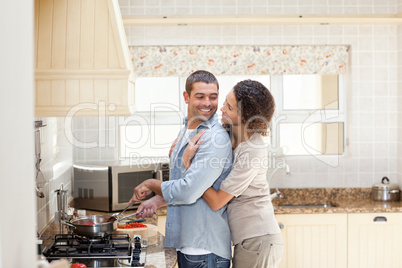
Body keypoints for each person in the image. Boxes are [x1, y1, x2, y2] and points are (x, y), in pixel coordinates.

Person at [130, 70, 233, 268]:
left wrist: (151, 184)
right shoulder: (186, 130)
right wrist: (158, 200)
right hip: (188, 245)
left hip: (204, 250)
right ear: (186, 97)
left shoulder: (214, 139)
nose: (207, 103)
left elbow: (188, 191)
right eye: (200, 96)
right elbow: (192, 183)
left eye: (213, 97)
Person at [182, 80, 284, 268]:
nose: (221, 108)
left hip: (258, 239)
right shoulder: (229, 134)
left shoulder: (254, 150)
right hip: (248, 240)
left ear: (244, 117)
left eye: (229, 107)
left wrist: (190, 167)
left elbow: (217, 201)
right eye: (225, 102)